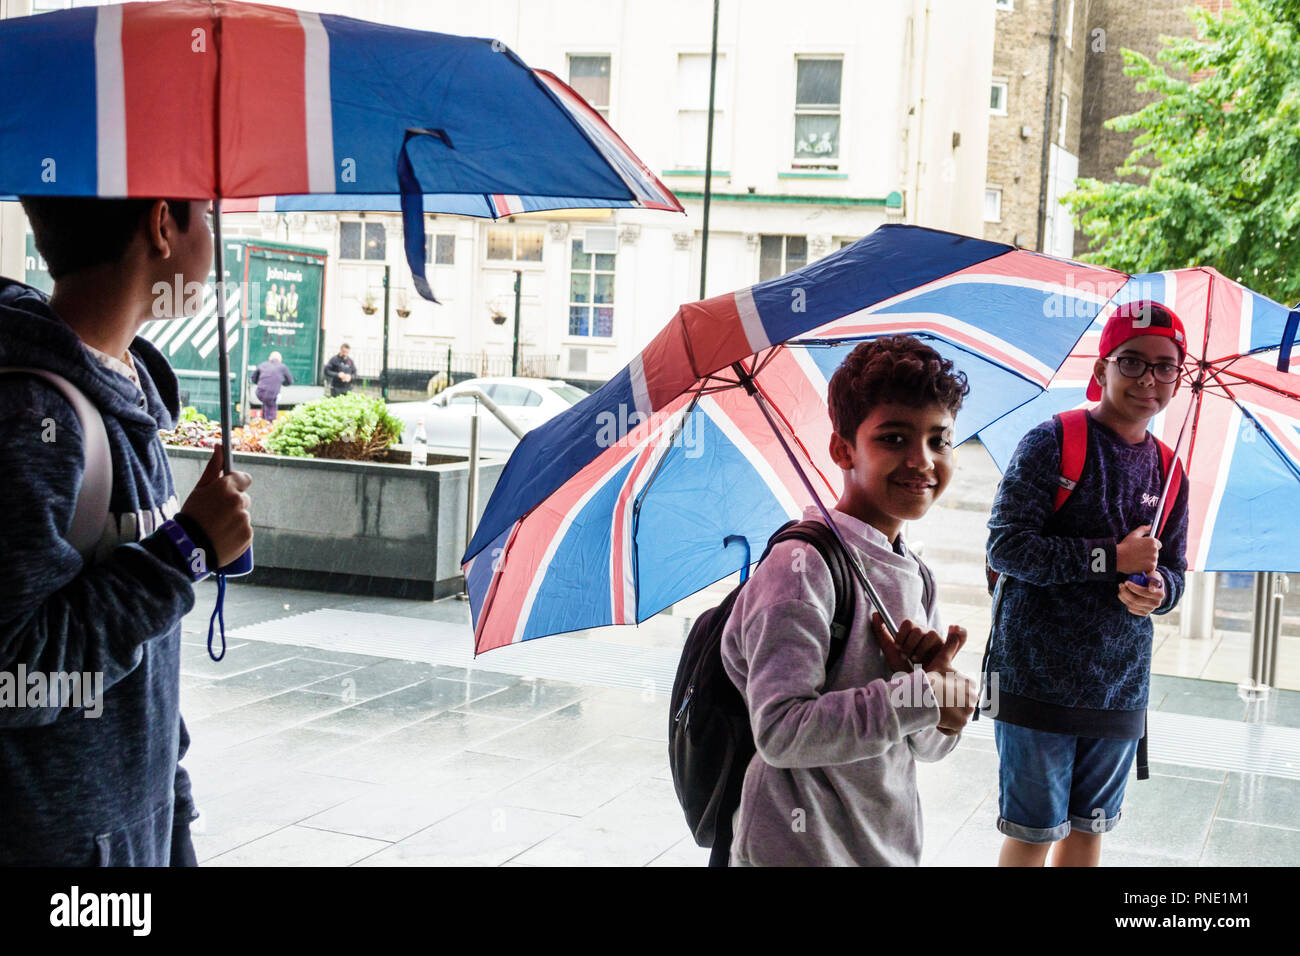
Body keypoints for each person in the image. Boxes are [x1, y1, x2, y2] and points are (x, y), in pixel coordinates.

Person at [0, 196, 254, 865]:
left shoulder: (127, 398)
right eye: (208, 215)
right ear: (161, 224)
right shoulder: (33, 414)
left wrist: (173, 817)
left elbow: (142, 672)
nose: (216, 244)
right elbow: (13, 669)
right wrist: (185, 549)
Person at [720, 335, 978, 866]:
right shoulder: (801, 568)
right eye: (893, 438)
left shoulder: (917, 575)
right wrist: (917, 697)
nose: (921, 461)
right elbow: (780, 731)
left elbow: (921, 745)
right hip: (797, 850)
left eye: (939, 440)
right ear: (843, 450)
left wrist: (942, 709)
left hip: (886, 847)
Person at [983, 301, 1190, 867]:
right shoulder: (1052, 442)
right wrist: (1109, 559)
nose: (1149, 378)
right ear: (1101, 371)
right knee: (1032, 832)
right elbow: (1007, 546)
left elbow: (1175, 571)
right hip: (1035, 678)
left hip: (1119, 685)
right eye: (1132, 362)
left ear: (1179, 375)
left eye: (1165, 366)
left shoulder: (1170, 470)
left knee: (1090, 832)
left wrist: (1158, 592)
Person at [251, 350, 293, 422]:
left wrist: (261, 383)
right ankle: (270, 425)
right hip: (272, 394)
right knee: (271, 411)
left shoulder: (262, 365)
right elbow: (290, 381)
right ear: (280, 360)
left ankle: (264, 421)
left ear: (269, 358)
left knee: (266, 404)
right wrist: (282, 383)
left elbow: (253, 378)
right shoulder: (282, 367)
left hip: (260, 393)